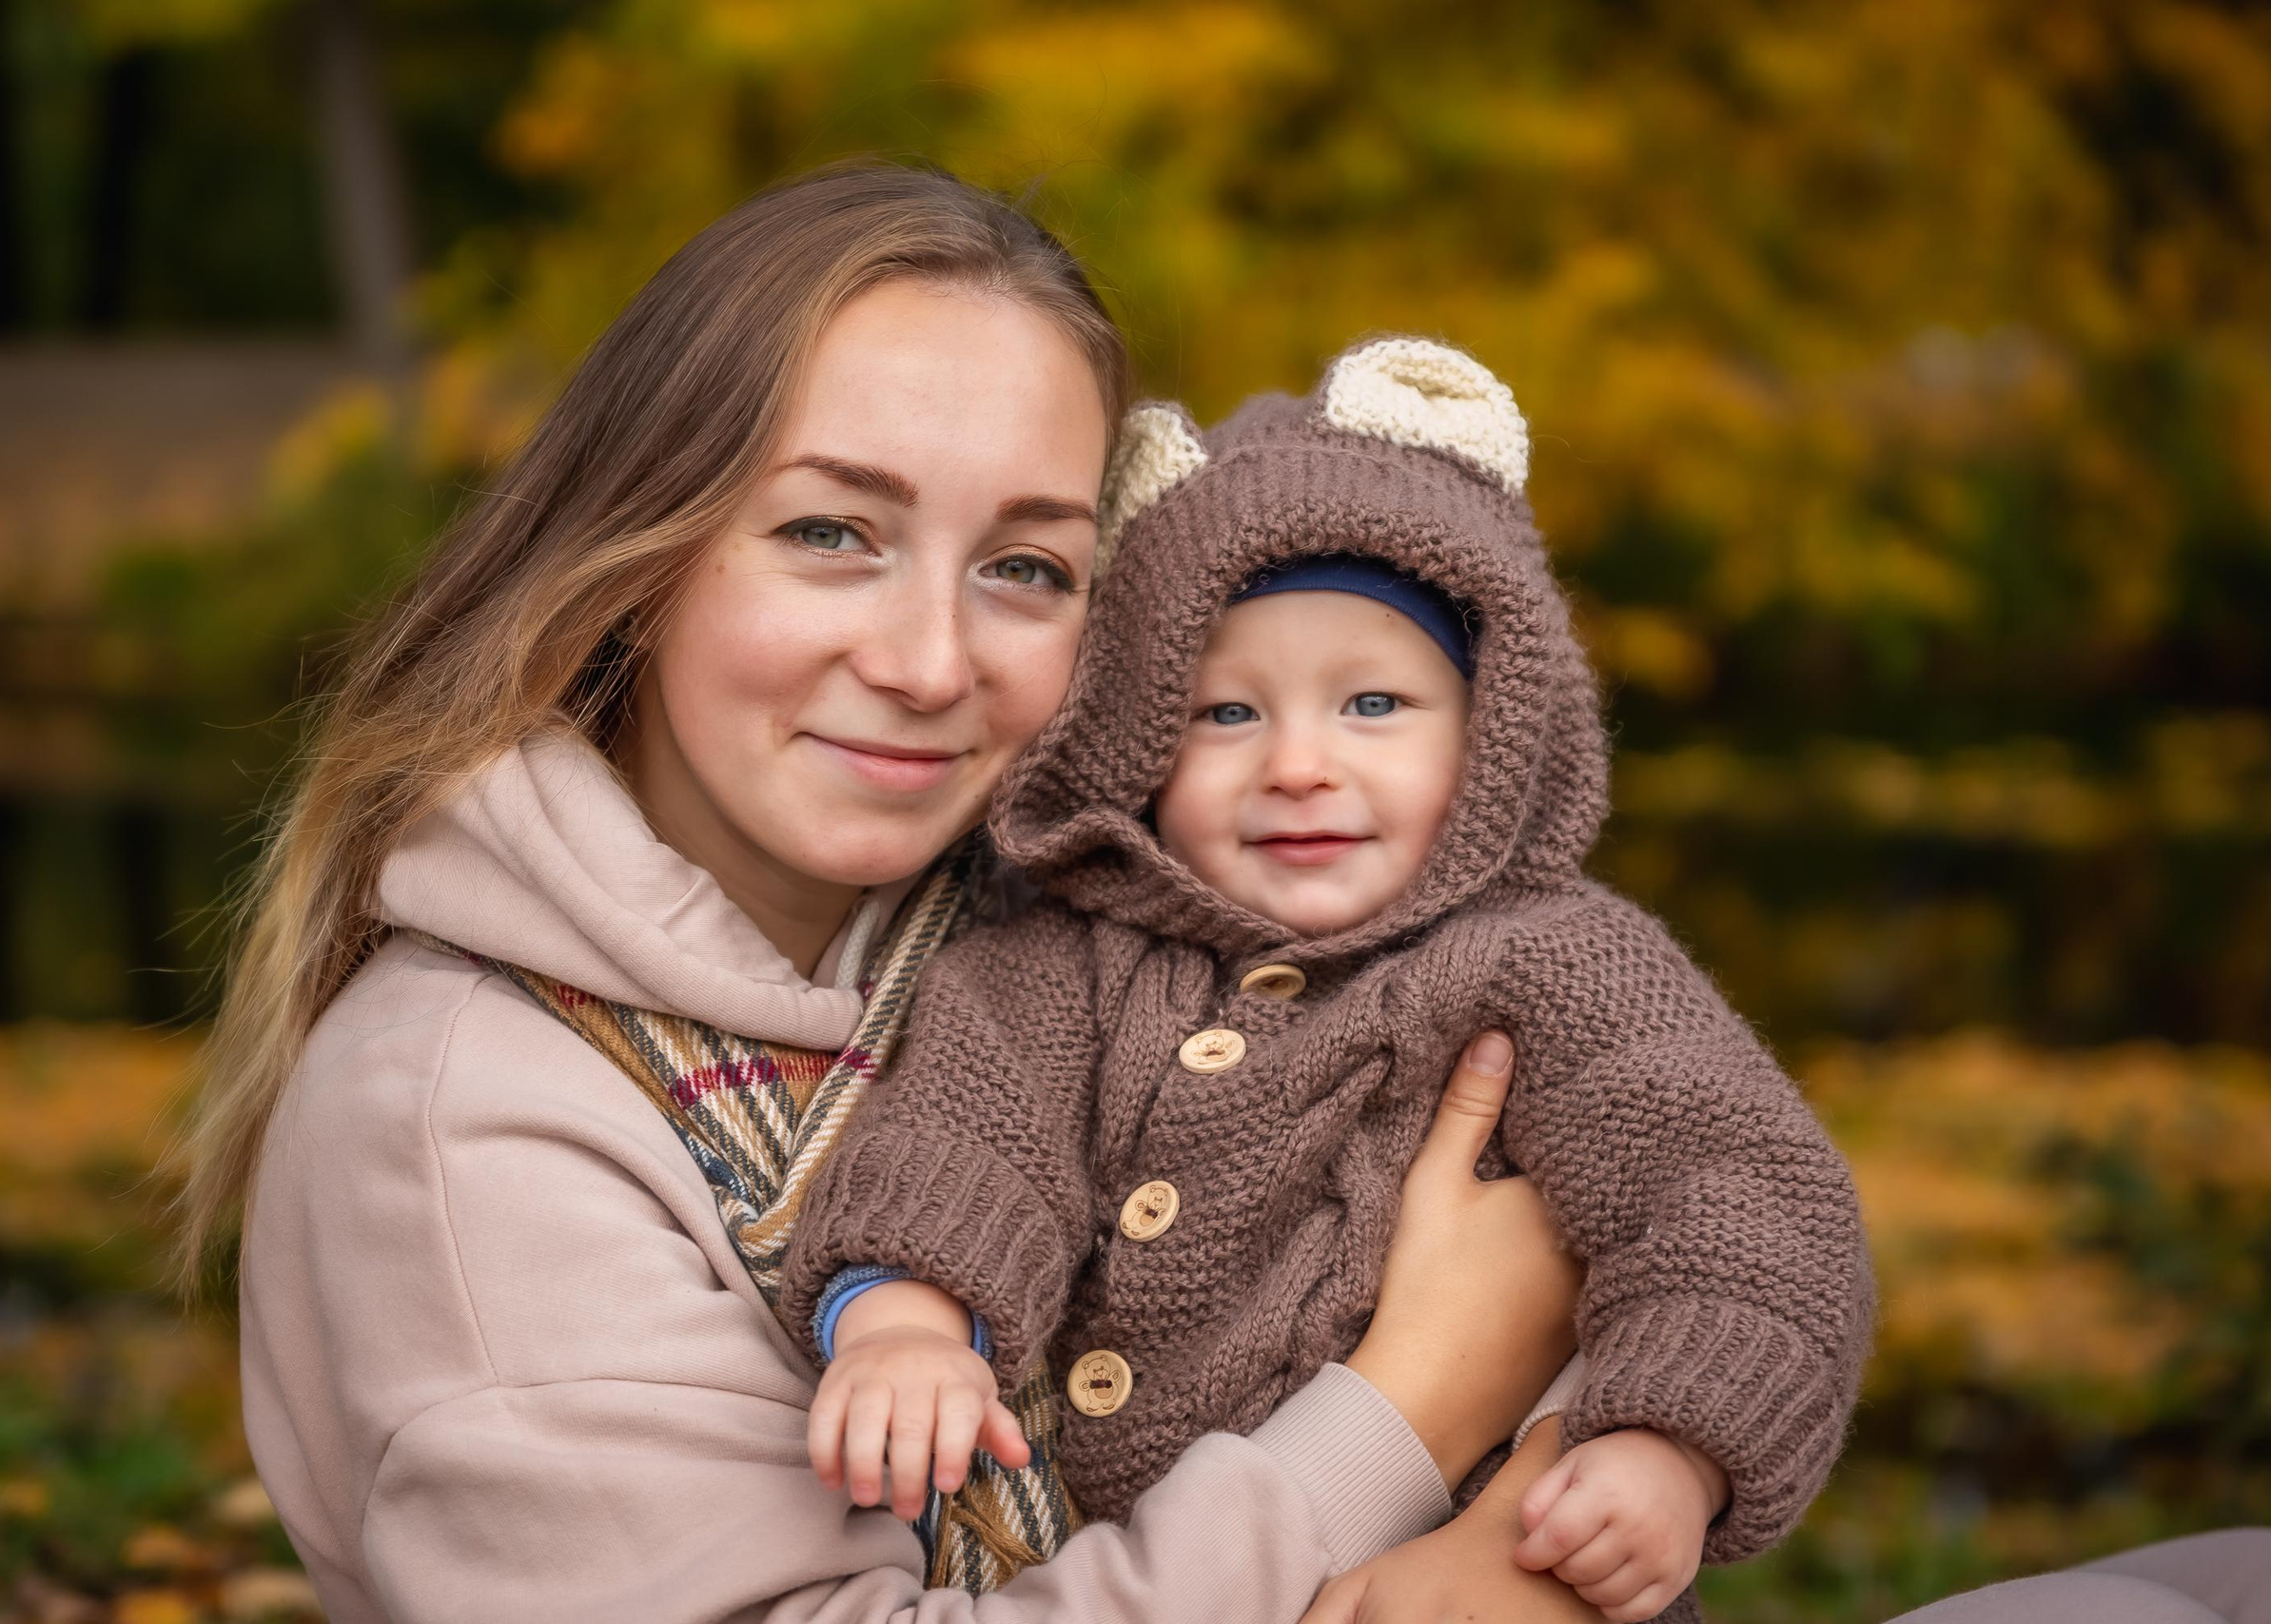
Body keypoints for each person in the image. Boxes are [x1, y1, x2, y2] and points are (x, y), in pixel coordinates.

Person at [176, 163, 1596, 1624]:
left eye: (1029, 567)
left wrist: (1552, 1507)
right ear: (635, 555)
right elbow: (1445, 1336)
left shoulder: (1095, 944)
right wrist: (1413, 1408)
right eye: (830, 533)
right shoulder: (458, 1119)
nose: (929, 663)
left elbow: (1577, 1224)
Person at [782, 339, 1875, 1623]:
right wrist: (909, 1325)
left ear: (1488, 730)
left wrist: (1666, 1451)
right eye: (1226, 716)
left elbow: (1743, 1198)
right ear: (1134, 740)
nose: (1298, 765)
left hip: (1501, 1577)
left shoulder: (1558, 960)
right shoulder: (1060, 958)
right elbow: (969, 1135)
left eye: (1373, 705)